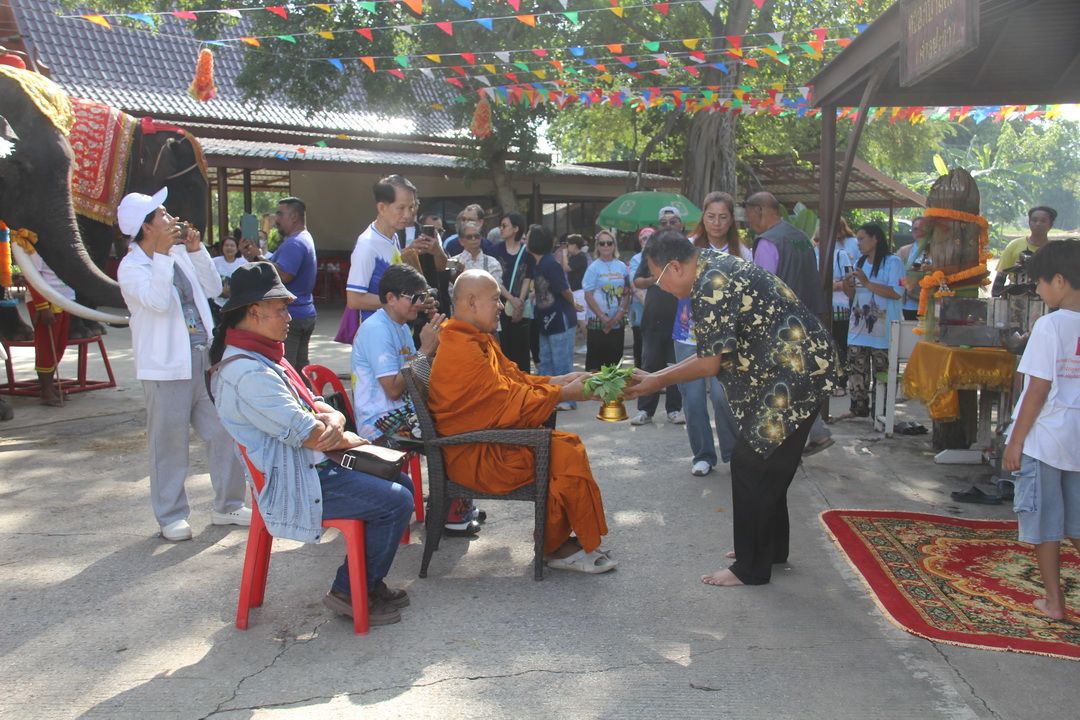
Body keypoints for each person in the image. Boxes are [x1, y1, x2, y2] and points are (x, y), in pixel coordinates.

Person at [625, 232, 841, 587]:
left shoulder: (711, 283)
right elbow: (713, 352)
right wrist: (656, 376)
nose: (660, 287)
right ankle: (768, 549)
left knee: (749, 461)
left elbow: (709, 364)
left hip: (795, 371)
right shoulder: (711, 267)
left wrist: (656, 381)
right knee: (769, 463)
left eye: (659, 278)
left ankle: (750, 567)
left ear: (675, 267)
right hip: (798, 366)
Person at [210, 262, 413, 627]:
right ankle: (348, 591)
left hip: (314, 464)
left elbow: (317, 406)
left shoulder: (265, 355)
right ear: (254, 312)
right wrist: (339, 430)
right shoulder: (248, 372)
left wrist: (334, 420)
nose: (290, 316)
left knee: (402, 483)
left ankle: (366, 581)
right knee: (395, 500)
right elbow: (312, 433)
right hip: (297, 482)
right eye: (281, 309)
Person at [428, 269, 617, 573]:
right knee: (564, 453)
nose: (501, 305)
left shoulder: (477, 341)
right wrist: (565, 393)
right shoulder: (460, 349)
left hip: (487, 441)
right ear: (472, 302)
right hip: (475, 456)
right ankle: (553, 547)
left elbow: (515, 381)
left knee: (565, 447)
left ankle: (559, 542)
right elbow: (507, 403)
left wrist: (561, 380)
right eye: (495, 299)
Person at [115, 188, 248, 542]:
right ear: (146, 227)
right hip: (165, 367)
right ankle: (171, 515)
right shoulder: (131, 268)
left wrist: (195, 250)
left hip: (201, 358)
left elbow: (213, 288)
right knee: (169, 443)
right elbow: (158, 302)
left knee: (224, 431)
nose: (171, 217)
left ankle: (229, 504)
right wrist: (162, 255)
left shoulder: (176, 254)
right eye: (162, 214)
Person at [1001, 240, 1080, 621]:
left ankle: (1054, 601)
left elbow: (1037, 389)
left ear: (1059, 281)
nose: (1037, 290)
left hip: (1044, 438)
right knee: (1077, 522)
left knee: (1045, 524)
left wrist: (1015, 441)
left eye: (1040, 283)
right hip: (1076, 438)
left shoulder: (1049, 325)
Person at [743, 191, 832, 454]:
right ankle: (817, 434)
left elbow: (762, 289)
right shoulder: (801, 238)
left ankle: (785, 445)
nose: (748, 222)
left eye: (748, 215)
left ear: (760, 210)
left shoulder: (768, 242)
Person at [676, 191, 750, 476]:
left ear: (731, 220)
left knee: (723, 396)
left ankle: (733, 452)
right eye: (711, 217)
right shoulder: (687, 247)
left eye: (722, 217)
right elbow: (674, 284)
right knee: (693, 398)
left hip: (728, 337)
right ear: (703, 218)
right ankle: (703, 455)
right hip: (689, 334)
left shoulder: (743, 252)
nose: (716, 223)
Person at [240, 198, 318, 369]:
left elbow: (283, 275)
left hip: (291, 314)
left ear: (294, 217)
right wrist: (256, 257)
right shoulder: (303, 238)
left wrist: (258, 257)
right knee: (300, 368)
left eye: (280, 214)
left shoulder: (294, 243)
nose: (276, 219)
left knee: (287, 369)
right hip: (303, 311)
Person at [837, 223, 904, 420]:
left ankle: (881, 411)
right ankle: (858, 408)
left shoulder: (893, 262)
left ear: (875, 239)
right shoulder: (860, 262)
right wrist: (847, 285)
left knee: (883, 372)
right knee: (856, 371)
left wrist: (866, 282)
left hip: (884, 331)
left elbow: (896, 292)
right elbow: (853, 295)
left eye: (861, 239)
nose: (857, 243)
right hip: (858, 329)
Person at [335, 175, 412, 344]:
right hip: (374, 337)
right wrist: (402, 303)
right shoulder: (367, 245)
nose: (407, 214)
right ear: (382, 208)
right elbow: (354, 299)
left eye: (411, 207)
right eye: (401, 208)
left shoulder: (393, 236)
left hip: (392, 331)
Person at [631, 214, 683, 426]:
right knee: (650, 365)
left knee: (675, 366)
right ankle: (645, 410)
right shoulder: (652, 250)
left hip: (679, 320)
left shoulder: (687, 250)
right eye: (663, 223)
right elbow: (637, 281)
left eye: (673, 221)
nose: (668, 225)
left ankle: (674, 410)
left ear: (681, 225)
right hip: (653, 319)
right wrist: (655, 279)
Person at [527, 225, 579, 411]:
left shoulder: (551, 263)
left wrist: (574, 303)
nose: (525, 239)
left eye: (528, 236)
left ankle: (568, 399)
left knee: (561, 360)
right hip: (545, 318)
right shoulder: (538, 263)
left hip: (560, 318)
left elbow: (564, 289)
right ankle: (548, 397)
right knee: (545, 360)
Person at [25, 253, 72, 406]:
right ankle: (46, 390)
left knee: (58, 345)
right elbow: (31, 275)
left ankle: (50, 386)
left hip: (65, 298)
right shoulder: (36, 248)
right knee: (47, 346)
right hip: (46, 301)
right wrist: (42, 306)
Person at [490, 212, 533, 372]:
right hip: (500, 306)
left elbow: (528, 277)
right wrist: (511, 299)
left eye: (504, 226)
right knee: (504, 350)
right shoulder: (495, 250)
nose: (501, 229)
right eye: (500, 225)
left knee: (521, 350)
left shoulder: (527, 252)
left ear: (516, 228)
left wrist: (519, 302)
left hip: (521, 307)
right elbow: (495, 279)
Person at [581, 229, 630, 372]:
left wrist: (618, 316)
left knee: (615, 365)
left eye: (609, 243)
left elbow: (627, 292)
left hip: (617, 321)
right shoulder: (593, 268)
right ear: (597, 246)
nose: (606, 246)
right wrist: (603, 317)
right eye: (602, 243)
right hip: (597, 321)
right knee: (595, 366)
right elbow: (588, 295)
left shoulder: (622, 266)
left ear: (614, 245)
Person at [993, 206, 1059, 297]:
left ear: (1051, 225)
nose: (1038, 224)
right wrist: (995, 297)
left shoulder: (1055, 250)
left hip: (1048, 298)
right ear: (1029, 222)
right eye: (1034, 220)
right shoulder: (1014, 245)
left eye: (1043, 221)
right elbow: (1001, 276)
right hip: (1016, 297)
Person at [627, 227, 654, 368]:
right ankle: (639, 371)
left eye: (651, 237)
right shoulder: (636, 259)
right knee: (640, 342)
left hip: (657, 307)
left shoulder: (662, 257)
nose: (648, 240)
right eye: (644, 238)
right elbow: (634, 285)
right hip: (641, 306)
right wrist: (648, 305)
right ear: (640, 242)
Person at [898, 216, 930, 321]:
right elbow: (896, 276)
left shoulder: (937, 250)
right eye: (916, 229)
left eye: (923, 229)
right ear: (912, 231)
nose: (919, 232)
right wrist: (906, 285)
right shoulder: (904, 251)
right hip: (909, 305)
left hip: (930, 305)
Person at [566, 234, 590, 352]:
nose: (567, 247)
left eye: (568, 244)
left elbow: (566, 268)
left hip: (580, 291)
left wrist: (564, 254)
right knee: (577, 319)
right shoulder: (574, 257)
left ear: (574, 245)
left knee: (581, 319)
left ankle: (590, 344)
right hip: (574, 291)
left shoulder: (581, 257)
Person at [211, 235, 245, 321]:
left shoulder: (244, 263)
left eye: (232, 245)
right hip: (217, 304)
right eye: (226, 245)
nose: (229, 248)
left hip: (237, 304)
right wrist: (221, 292)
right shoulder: (214, 262)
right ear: (222, 247)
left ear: (237, 248)